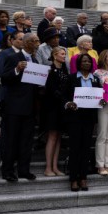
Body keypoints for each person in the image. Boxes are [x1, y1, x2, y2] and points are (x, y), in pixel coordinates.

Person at [0, 33, 40, 182]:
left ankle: (24, 170)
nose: (37, 43)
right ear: (27, 43)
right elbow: (4, 78)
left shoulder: (35, 60)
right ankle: (8, 170)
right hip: (14, 106)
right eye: (35, 41)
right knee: (11, 140)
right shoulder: (13, 58)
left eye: (38, 41)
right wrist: (16, 69)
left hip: (30, 107)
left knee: (26, 141)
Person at [63, 53, 100, 191]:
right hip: (75, 118)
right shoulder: (71, 78)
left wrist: (101, 101)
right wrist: (68, 103)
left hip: (89, 118)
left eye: (89, 61)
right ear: (79, 64)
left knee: (85, 149)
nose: (86, 63)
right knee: (74, 149)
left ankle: (83, 178)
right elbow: (64, 95)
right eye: (84, 61)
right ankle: (73, 179)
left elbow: (99, 96)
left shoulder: (95, 79)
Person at [41, 46, 68, 177]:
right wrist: (64, 99)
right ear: (55, 55)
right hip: (52, 108)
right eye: (62, 54)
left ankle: (55, 166)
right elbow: (51, 90)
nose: (64, 56)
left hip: (62, 108)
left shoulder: (64, 70)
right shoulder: (50, 70)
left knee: (58, 138)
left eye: (65, 54)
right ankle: (48, 167)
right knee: (52, 137)